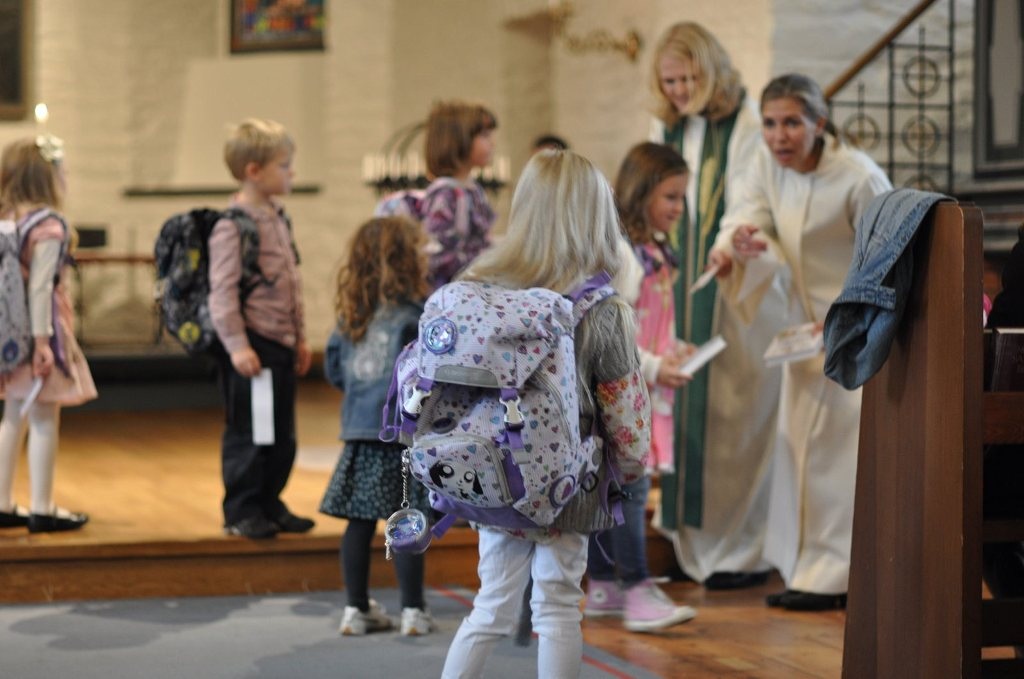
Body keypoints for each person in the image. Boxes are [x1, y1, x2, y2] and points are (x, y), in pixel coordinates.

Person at [440, 149, 651, 678]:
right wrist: (629, 468)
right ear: (596, 216)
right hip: (567, 483)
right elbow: (625, 413)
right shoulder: (604, 310)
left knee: (489, 607)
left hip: (497, 473)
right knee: (557, 609)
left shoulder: (482, 289)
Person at [708, 73, 892, 611]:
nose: (779, 136)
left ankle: (838, 577)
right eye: (770, 123)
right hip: (800, 335)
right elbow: (750, 211)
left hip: (850, 336)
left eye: (792, 123)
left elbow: (885, 260)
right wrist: (733, 242)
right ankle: (802, 569)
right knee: (796, 456)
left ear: (819, 122)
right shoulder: (769, 165)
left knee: (839, 462)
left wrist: (844, 319)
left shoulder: (859, 179)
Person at [649, 21, 791, 590]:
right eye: (669, 80)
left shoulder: (751, 122)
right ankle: (692, 546)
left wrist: (732, 242)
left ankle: (740, 549)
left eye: (688, 78)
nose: (680, 90)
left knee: (734, 419)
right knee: (682, 414)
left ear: (711, 71)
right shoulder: (667, 123)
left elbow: (753, 200)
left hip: (735, 290)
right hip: (678, 287)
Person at [583, 142, 697, 631]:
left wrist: (672, 350)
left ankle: (604, 583)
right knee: (626, 489)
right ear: (643, 191)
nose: (678, 208)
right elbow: (614, 329)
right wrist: (652, 365)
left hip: (640, 383)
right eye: (670, 196)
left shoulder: (654, 248)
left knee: (615, 485)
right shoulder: (625, 254)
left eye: (681, 198)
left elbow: (652, 320)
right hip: (621, 386)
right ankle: (636, 588)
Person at [320, 215, 434, 637]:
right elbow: (427, 374)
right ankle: (412, 612)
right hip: (400, 435)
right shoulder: (414, 316)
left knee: (359, 521)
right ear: (407, 261)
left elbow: (334, 371)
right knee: (405, 519)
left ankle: (354, 609)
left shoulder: (350, 319)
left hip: (358, 434)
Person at [209, 118, 313, 539]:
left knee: (281, 434)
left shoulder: (278, 218)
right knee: (251, 431)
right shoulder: (232, 225)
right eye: (284, 166)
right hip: (253, 346)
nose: (292, 173)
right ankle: (242, 509)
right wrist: (236, 345)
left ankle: (271, 501)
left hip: (281, 344)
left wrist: (301, 337)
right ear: (254, 170)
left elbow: (291, 284)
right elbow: (222, 292)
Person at [0, 135, 96, 533]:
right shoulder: (49, 226)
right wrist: (43, 343)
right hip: (40, 338)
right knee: (43, 418)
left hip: (9, 337)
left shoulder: (9, 220)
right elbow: (41, 289)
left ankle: (2, 501)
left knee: (11, 417)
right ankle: (43, 505)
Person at [419, 100, 498, 289]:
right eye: (485, 136)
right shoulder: (445, 194)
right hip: (451, 294)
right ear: (458, 139)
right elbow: (437, 255)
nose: (492, 143)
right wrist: (486, 259)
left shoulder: (474, 190)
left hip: (474, 288)